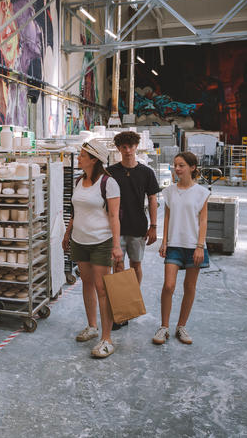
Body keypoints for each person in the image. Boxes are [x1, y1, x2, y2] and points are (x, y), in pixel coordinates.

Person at [62, 139, 124, 358]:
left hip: (101, 241)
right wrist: (68, 232)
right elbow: (76, 210)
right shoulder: (79, 180)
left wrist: (116, 245)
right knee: (87, 283)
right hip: (80, 240)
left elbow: (114, 216)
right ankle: (92, 326)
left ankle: (106, 339)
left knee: (102, 288)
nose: (78, 158)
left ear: (94, 160)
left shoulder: (109, 183)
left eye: (81, 155)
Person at [154, 152, 210, 345]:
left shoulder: (201, 193)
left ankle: (181, 326)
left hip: (194, 245)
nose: (177, 169)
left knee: (189, 287)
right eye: (175, 165)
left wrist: (200, 246)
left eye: (181, 165)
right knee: (168, 286)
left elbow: (203, 221)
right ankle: (164, 327)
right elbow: (167, 218)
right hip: (174, 245)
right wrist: (164, 241)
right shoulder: (169, 192)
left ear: (192, 168)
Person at [108, 131, 160, 330]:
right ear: (118, 149)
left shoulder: (146, 172)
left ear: (137, 147)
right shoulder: (111, 171)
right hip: (117, 228)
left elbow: (153, 199)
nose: (128, 150)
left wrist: (153, 226)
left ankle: (130, 300)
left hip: (138, 226)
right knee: (118, 266)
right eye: (124, 147)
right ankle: (119, 307)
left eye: (131, 146)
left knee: (136, 265)